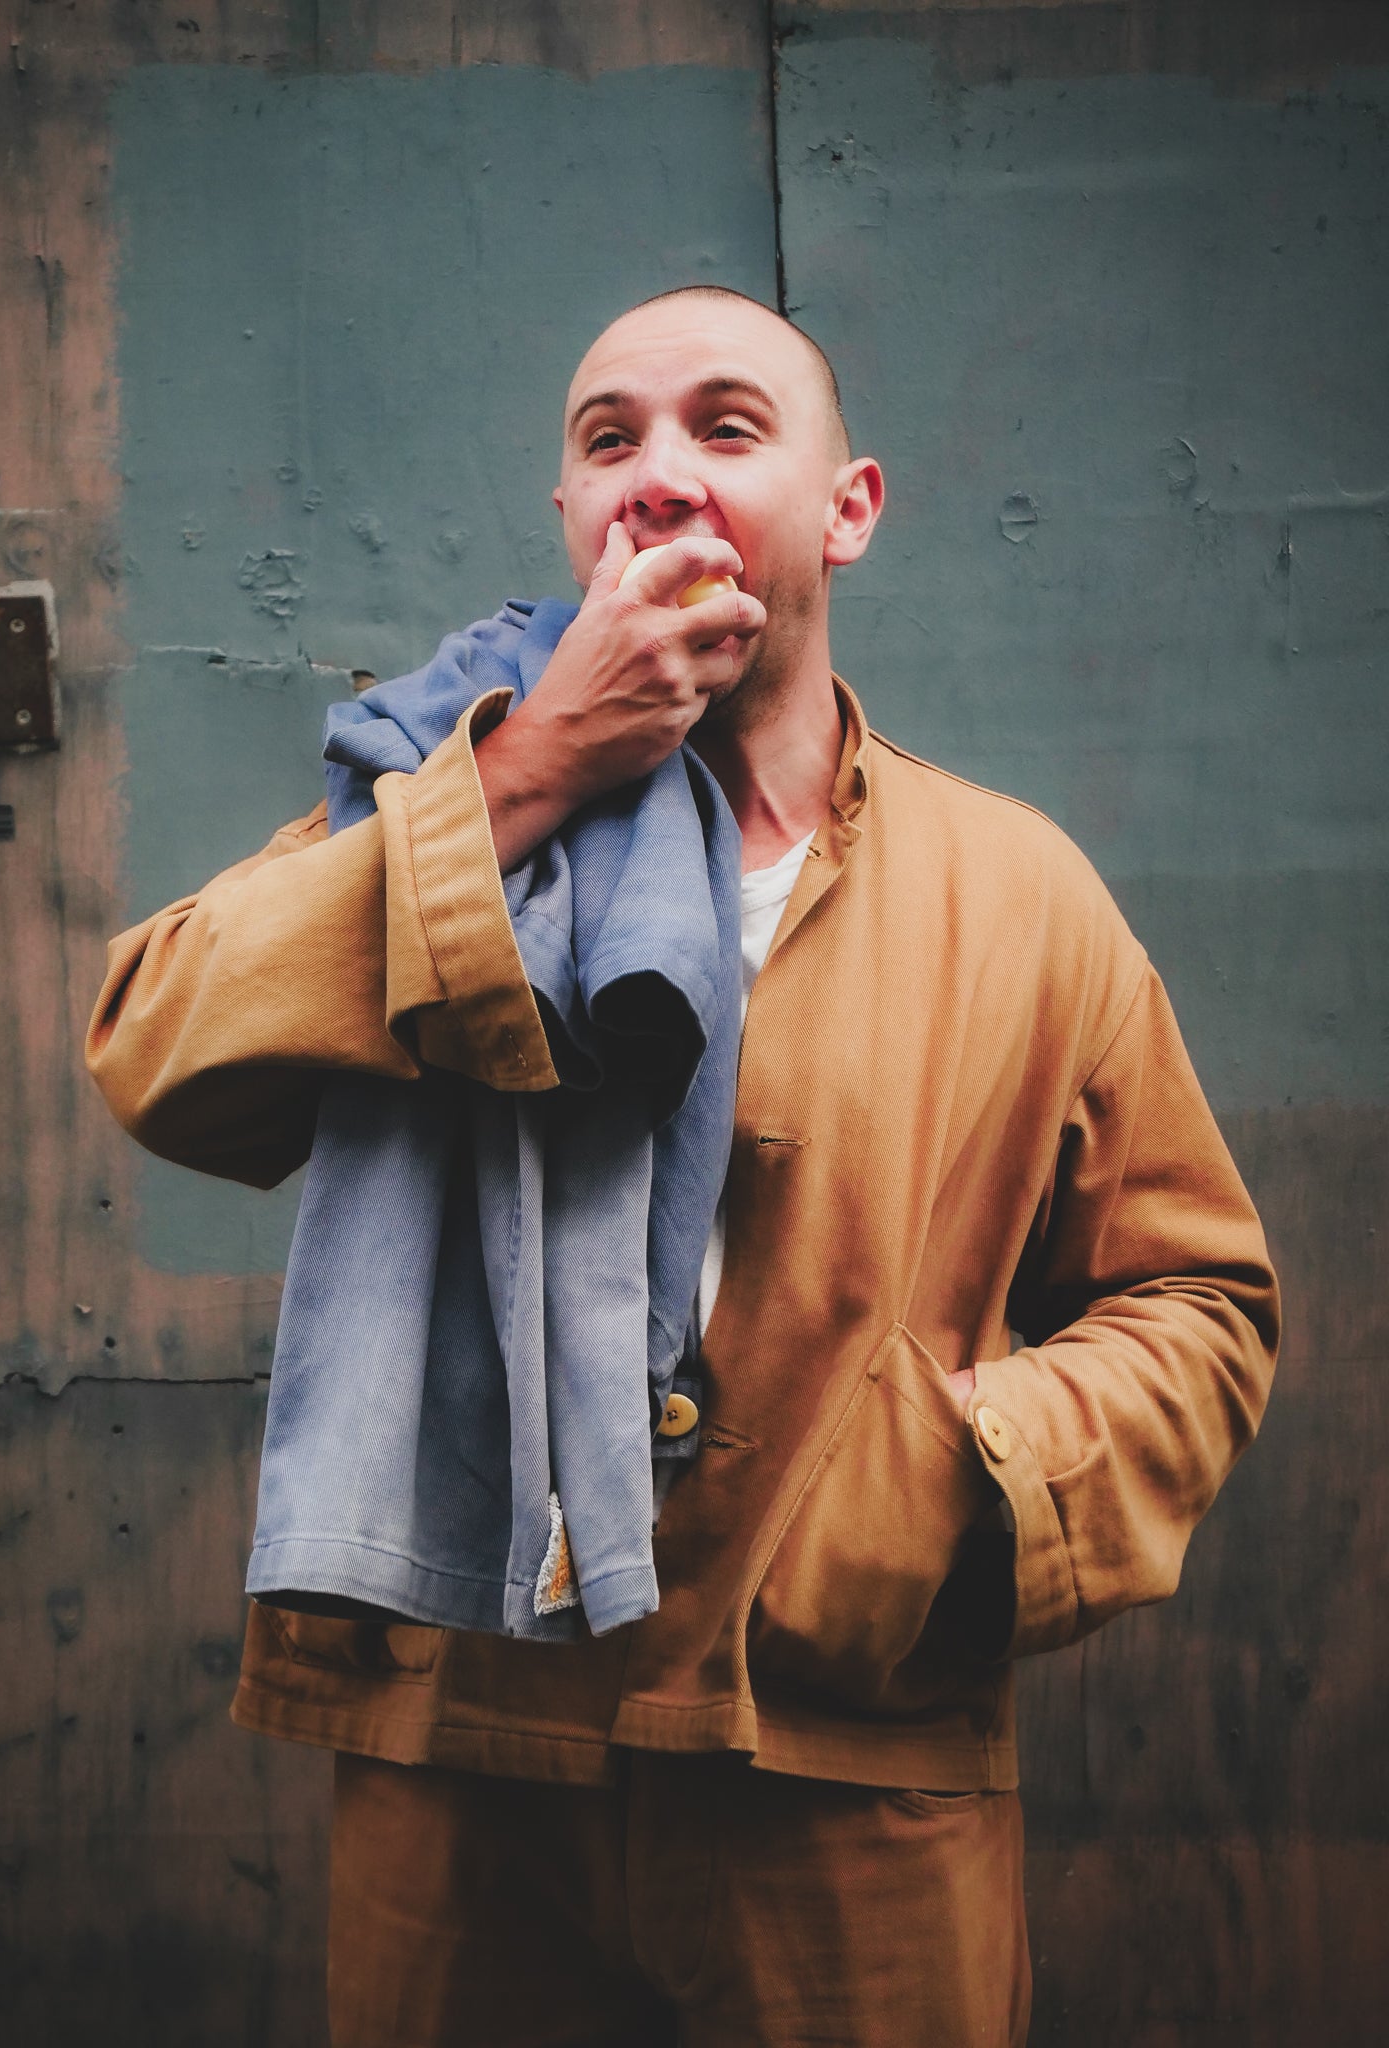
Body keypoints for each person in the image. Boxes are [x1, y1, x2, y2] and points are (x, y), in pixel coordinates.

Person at [87, 287, 1280, 2048]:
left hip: (847, 1763)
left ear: (847, 509)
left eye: (727, 428)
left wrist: (955, 1484)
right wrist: (534, 767)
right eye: (609, 440)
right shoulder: (432, 804)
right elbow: (159, 1049)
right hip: (464, 1754)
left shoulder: (1020, 895)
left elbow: (1200, 1300)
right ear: (571, 516)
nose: (657, 472)